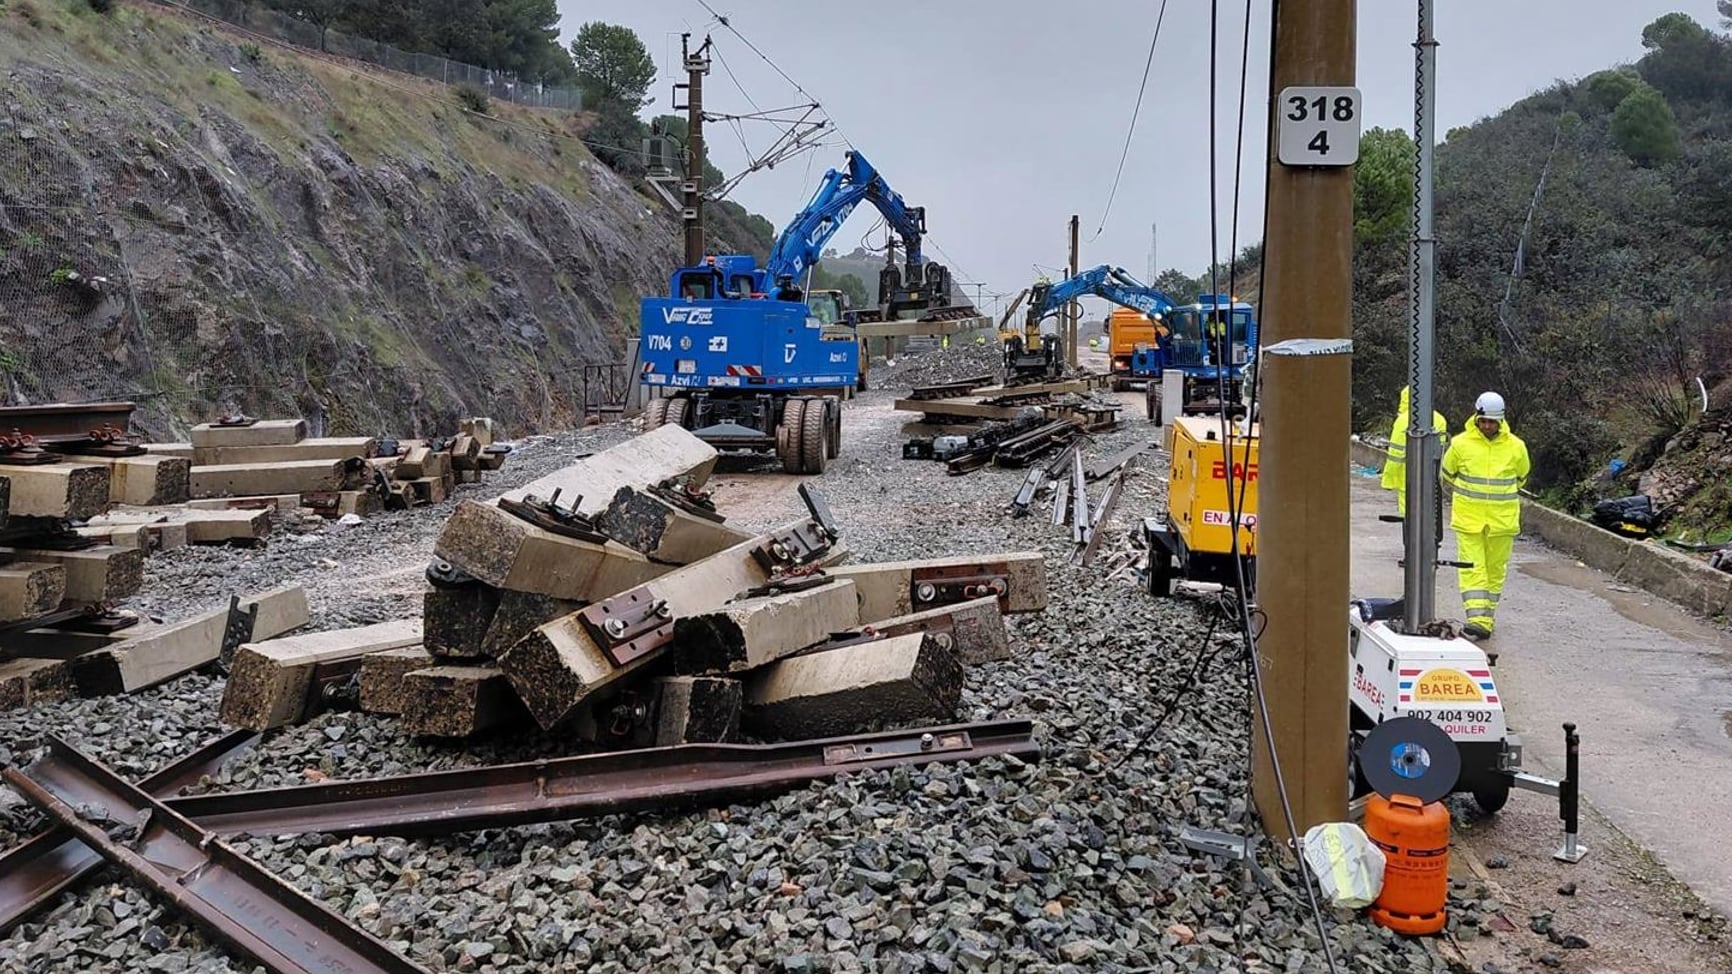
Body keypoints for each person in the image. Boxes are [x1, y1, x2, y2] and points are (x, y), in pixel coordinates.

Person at [1441, 392, 1530, 640]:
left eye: (1492, 421)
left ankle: (1486, 619)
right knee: (1472, 567)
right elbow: (1447, 475)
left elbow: (1521, 477)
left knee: (1494, 571)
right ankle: (1477, 619)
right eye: (1484, 421)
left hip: (1501, 523)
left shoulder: (1516, 447)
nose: (1488, 426)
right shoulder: (1460, 444)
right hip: (1469, 520)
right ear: (1476, 417)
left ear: (1501, 421)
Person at [1381, 386, 1448, 517]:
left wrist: (1388, 481)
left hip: (1407, 480)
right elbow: (1440, 452)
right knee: (1428, 518)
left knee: (1409, 519)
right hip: (1431, 479)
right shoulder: (1439, 419)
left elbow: (1396, 454)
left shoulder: (1403, 420)